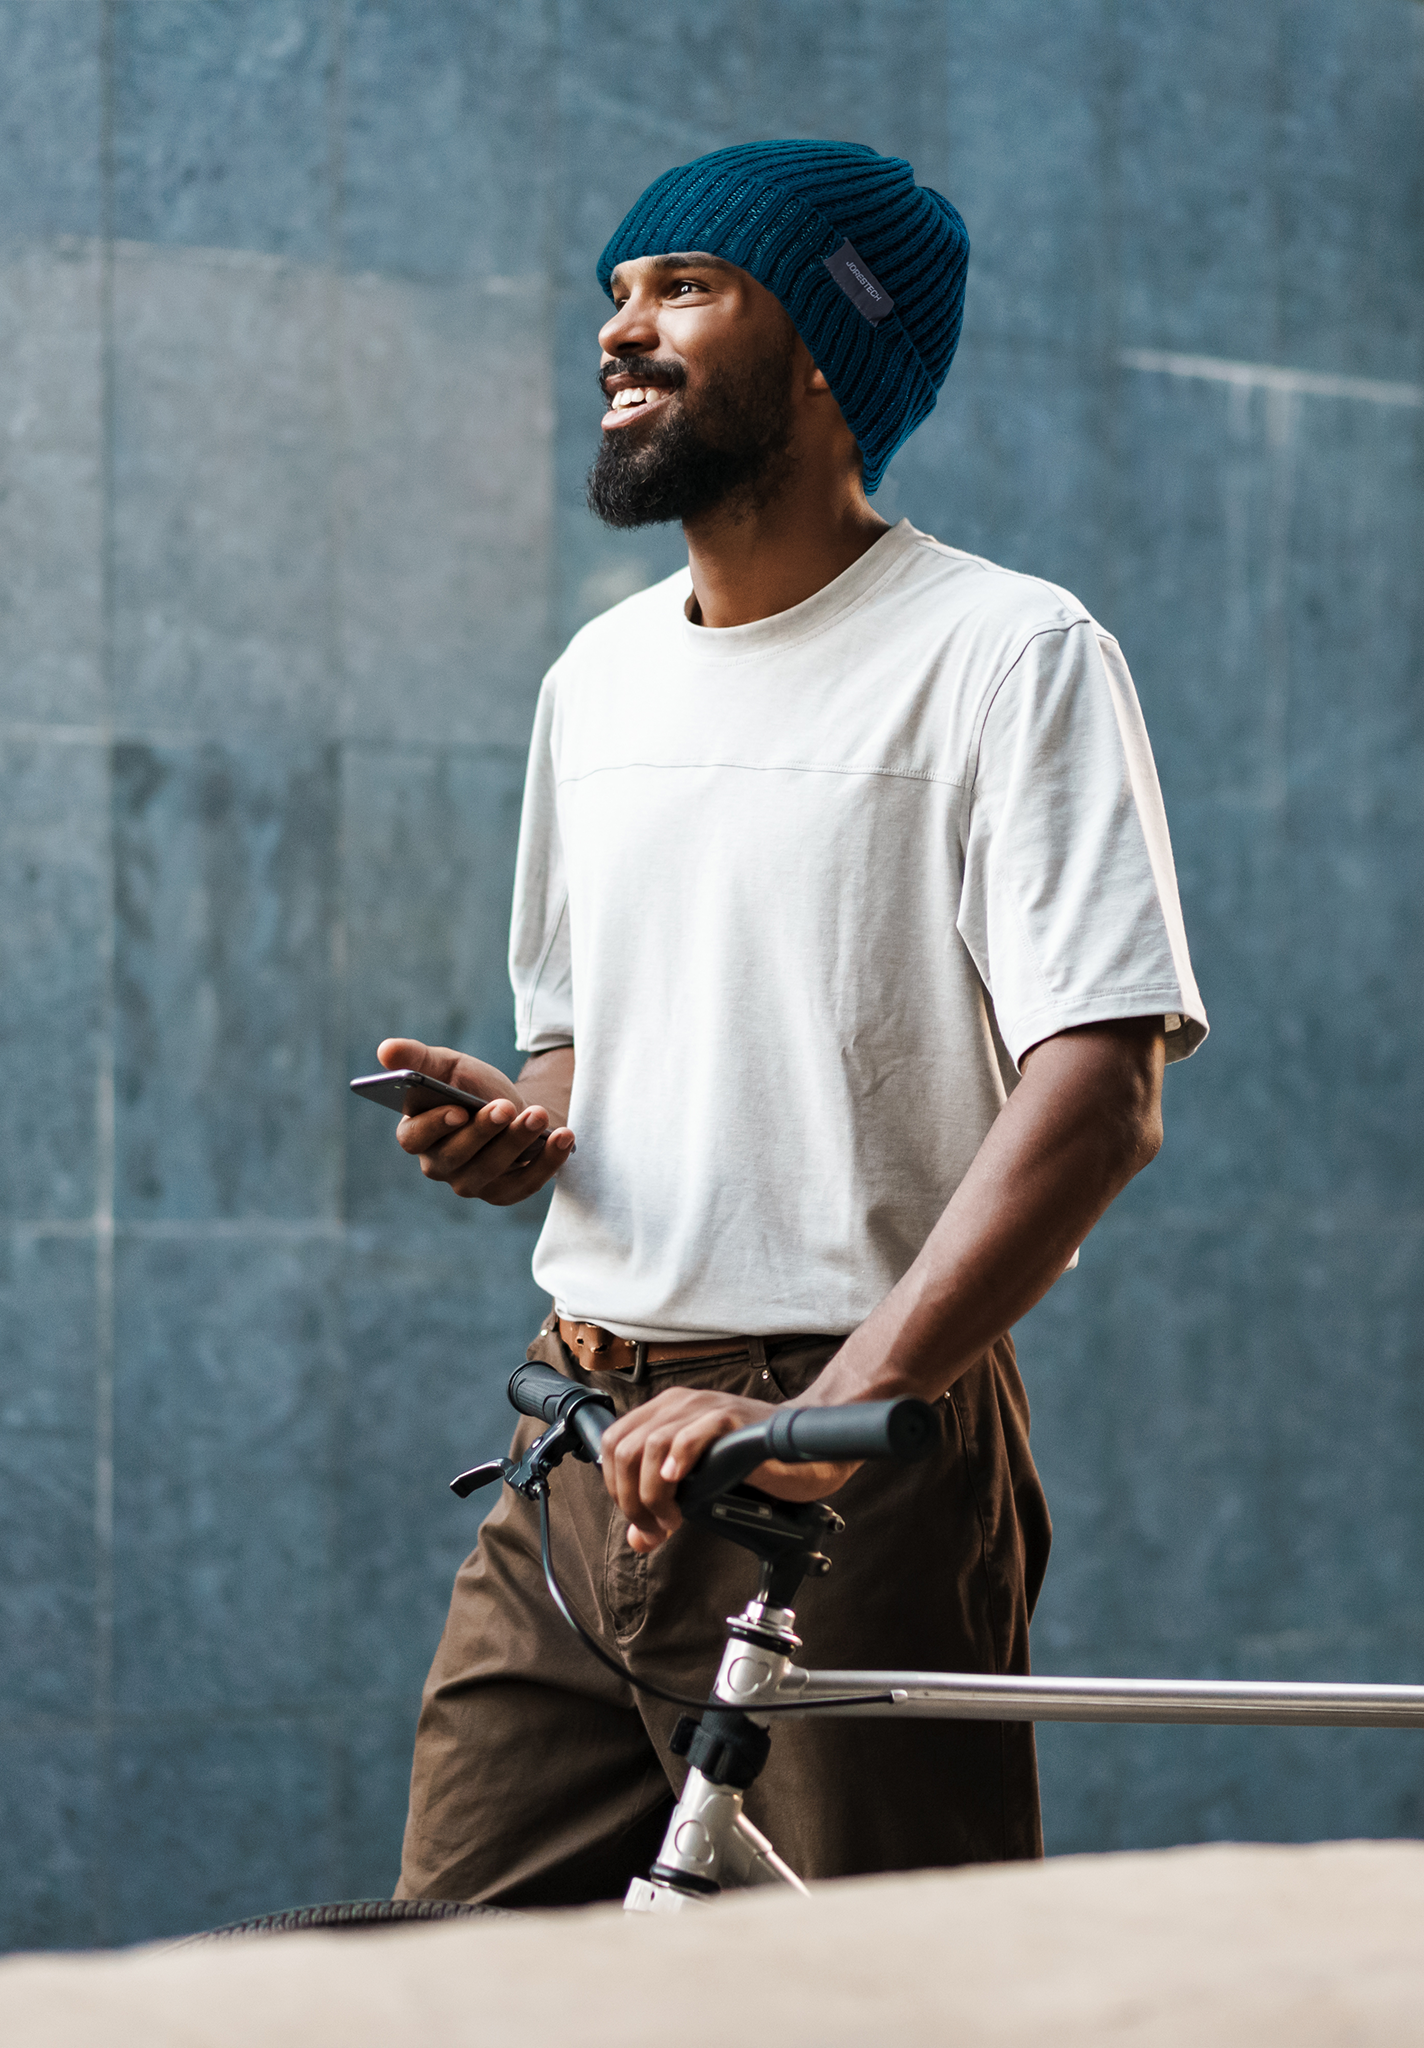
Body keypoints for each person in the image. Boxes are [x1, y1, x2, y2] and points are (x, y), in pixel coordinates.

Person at [378, 139, 1206, 1905]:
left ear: (831, 348)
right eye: (614, 292)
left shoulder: (1009, 652)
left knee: (887, 1997)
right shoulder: (595, 676)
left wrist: (841, 1406)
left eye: (682, 284)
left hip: (855, 1450)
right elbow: (577, 1034)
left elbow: (1101, 1089)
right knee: (448, 1976)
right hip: (580, 1440)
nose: (622, 327)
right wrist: (523, 1124)